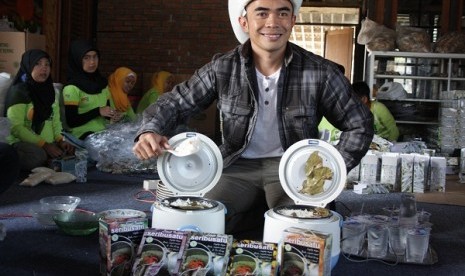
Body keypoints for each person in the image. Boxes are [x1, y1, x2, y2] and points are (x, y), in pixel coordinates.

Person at [132, 0, 374, 234]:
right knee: (201, 221)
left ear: (293, 20)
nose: (272, 22)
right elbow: (176, 102)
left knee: (301, 232)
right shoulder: (223, 68)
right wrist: (149, 130)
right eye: (261, 13)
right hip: (237, 166)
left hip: (292, 169)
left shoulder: (320, 72)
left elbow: (359, 123)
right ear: (244, 22)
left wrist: (335, 167)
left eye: (282, 13)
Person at [4, 49, 74, 171]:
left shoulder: (51, 92)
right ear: (28, 65)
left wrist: (60, 140)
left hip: (46, 143)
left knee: (72, 150)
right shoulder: (19, 92)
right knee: (37, 156)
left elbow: (55, 121)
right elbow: (16, 128)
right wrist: (45, 145)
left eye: (47, 64)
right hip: (21, 143)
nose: (44, 68)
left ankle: (50, 160)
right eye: (38, 64)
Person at [62, 39, 117, 140]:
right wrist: (97, 111)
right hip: (83, 134)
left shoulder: (102, 84)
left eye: (95, 57)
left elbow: (107, 112)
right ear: (77, 59)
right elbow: (72, 121)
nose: (92, 62)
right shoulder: (71, 88)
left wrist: (112, 115)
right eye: (86, 58)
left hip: (103, 131)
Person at [319, 81, 399, 142]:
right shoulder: (350, 111)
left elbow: (392, 129)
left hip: (383, 142)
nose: (350, 102)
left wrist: (390, 145)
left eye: (353, 99)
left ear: (364, 99)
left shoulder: (379, 108)